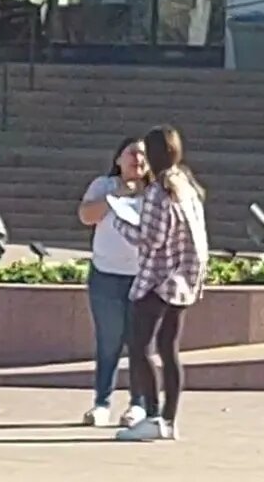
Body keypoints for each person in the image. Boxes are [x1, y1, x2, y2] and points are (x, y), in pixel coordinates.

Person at [114, 125, 209, 442]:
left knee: (140, 347)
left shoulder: (158, 191)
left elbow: (150, 240)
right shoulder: (186, 184)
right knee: (169, 349)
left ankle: (153, 415)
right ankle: (169, 419)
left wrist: (119, 222)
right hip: (184, 277)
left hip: (159, 277)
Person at [76, 137, 151, 428]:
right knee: (109, 342)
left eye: (143, 155)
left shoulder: (155, 193)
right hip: (105, 275)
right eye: (131, 153)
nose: (137, 159)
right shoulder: (102, 186)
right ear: (118, 159)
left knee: (139, 343)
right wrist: (115, 196)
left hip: (142, 276)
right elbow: (85, 216)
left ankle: (138, 404)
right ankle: (102, 403)